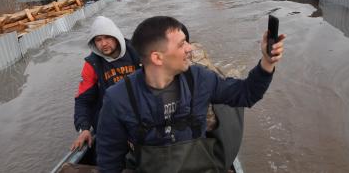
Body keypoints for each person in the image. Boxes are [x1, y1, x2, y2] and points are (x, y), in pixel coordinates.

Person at [96, 16, 285, 173]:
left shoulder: (200, 79)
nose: (190, 48)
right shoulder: (118, 98)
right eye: (181, 44)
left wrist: (267, 62)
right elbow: (109, 159)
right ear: (157, 57)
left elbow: (246, 94)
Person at [71, 16, 141, 153]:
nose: (103, 43)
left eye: (107, 37)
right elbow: (83, 100)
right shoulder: (92, 64)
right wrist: (84, 128)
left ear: (116, 36)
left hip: (139, 114)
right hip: (111, 118)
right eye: (98, 39)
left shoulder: (136, 52)